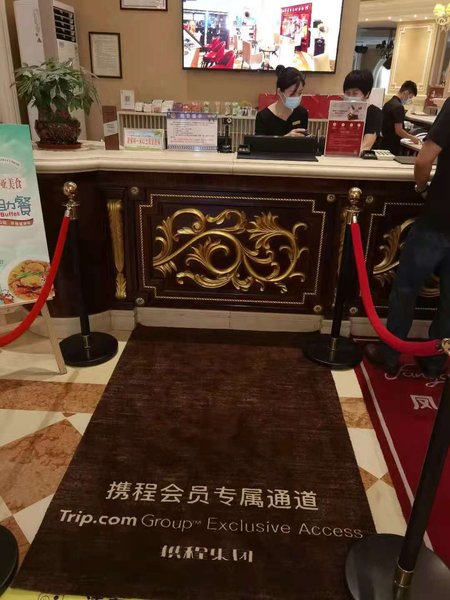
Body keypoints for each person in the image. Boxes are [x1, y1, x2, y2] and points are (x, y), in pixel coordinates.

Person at [365, 97, 450, 378]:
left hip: (439, 217)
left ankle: (391, 353)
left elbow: (424, 159)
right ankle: (436, 359)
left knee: (406, 288)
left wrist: (422, 188)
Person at [255, 65, 308, 137]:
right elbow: (260, 144)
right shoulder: (264, 117)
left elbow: (302, 142)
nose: (296, 97)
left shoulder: (301, 113)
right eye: (292, 94)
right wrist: (285, 139)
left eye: (300, 93)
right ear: (280, 92)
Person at [343, 69, 382, 152]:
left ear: (367, 94)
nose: (350, 96)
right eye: (347, 93)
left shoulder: (373, 112)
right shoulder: (345, 110)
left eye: (355, 93)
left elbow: (366, 146)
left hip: (359, 157)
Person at [380, 80, 421, 155]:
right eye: (410, 97)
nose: (409, 100)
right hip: (392, 146)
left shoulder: (388, 103)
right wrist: (412, 138)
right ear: (406, 93)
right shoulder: (398, 107)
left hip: (383, 143)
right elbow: (399, 131)